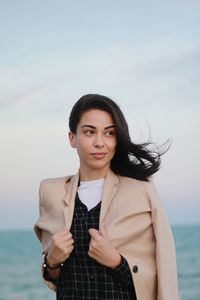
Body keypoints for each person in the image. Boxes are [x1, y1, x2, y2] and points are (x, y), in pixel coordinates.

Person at [34, 94, 180, 300]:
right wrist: (52, 261)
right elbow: (56, 279)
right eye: (89, 132)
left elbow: (161, 272)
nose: (99, 142)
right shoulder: (51, 192)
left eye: (109, 133)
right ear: (72, 138)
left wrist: (117, 262)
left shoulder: (141, 189)